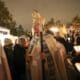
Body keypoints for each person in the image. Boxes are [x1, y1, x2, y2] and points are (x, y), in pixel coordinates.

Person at [26, 10, 69, 80]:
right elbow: (30, 54)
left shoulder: (49, 38)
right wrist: (27, 59)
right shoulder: (33, 40)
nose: (35, 27)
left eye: (37, 25)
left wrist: (46, 56)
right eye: (34, 25)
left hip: (46, 70)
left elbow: (58, 50)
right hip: (35, 70)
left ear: (41, 26)